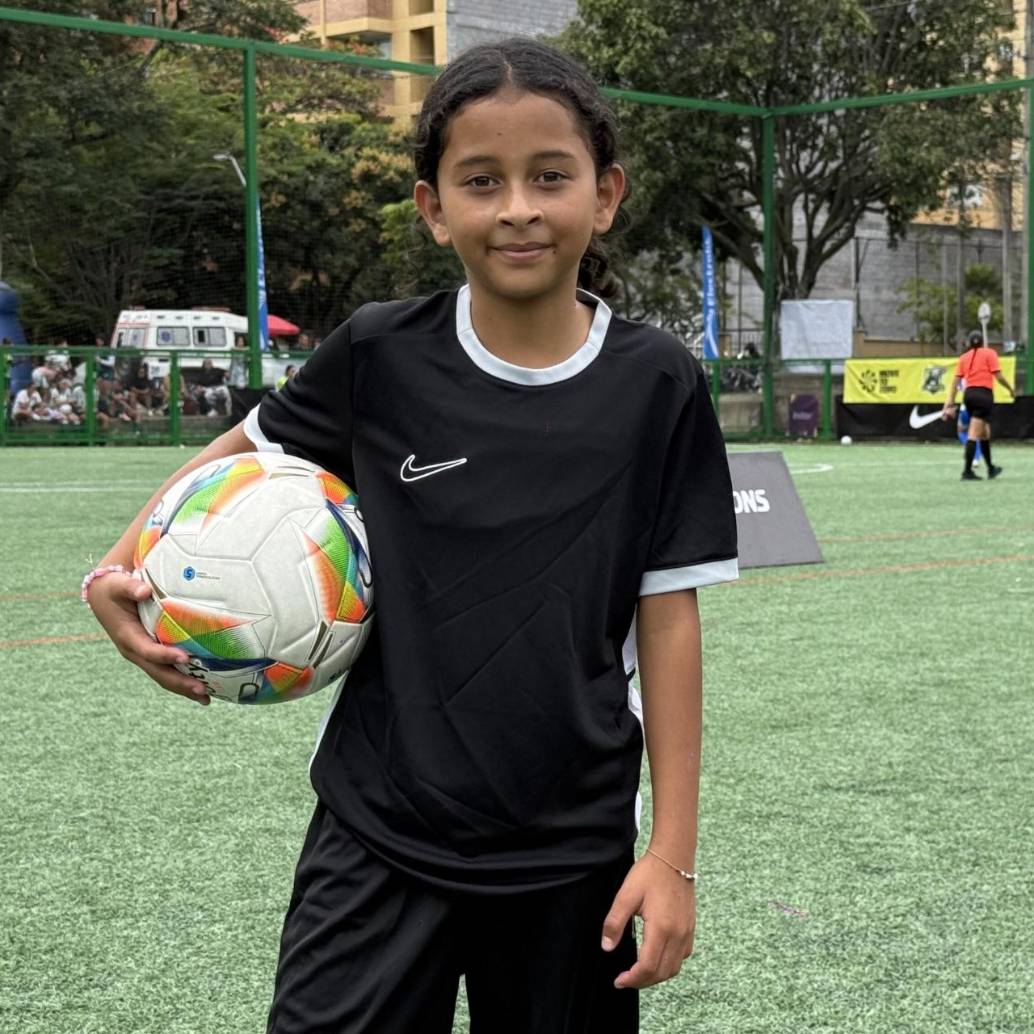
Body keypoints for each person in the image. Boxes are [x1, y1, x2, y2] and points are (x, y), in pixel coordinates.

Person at [83, 38, 738, 1034]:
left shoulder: (658, 383)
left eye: (549, 176)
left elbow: (669, 617)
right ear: (434, 208)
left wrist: (672, 854)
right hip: (379, 826)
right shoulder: (381, 353)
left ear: (604, 195)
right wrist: (117, 566)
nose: (517, 207)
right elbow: (238, 453)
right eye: (481, 181)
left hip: (570, 850)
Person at [941, 330, 1015, 480]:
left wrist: (950, 402)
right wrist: (1010, 389)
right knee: (974, 434)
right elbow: (998, 376)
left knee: (984, 433)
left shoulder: (964, 357)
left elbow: (955, 383)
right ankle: (967, 472)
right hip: (984, 396)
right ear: (982, 342)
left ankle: (991, 468)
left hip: (969, 395)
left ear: (969, 343)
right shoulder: (990, 353)